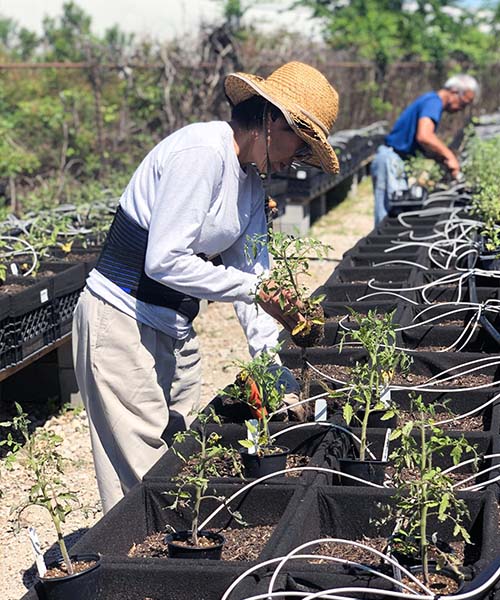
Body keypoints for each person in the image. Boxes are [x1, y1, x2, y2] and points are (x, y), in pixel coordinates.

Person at [72, 61, 340, 513]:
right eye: (301, 144)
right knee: (146, 482)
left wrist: (279, 374)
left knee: (175, 464)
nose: (297, 160)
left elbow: (256, 283)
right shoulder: (201, 152)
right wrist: (252, 289)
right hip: (120, 321)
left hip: (174, 327)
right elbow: (164, 260)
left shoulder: (251, 186)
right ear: (274, 120)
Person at [371, 74, 479, 225]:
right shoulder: (433, 102)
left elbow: (422, 143)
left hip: (397, 160)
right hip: (390, 159)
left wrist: (441, 160)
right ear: (454, 91)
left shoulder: (431, 101)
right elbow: (424, 136)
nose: (461, 109)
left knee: (396, 214)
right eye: (463, 103)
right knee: (387, 219)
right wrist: (449, 156)